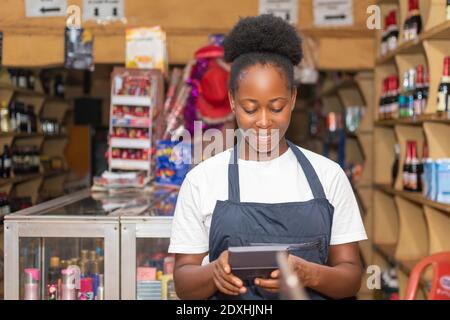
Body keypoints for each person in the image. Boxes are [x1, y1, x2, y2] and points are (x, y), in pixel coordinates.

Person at [168, 14, 367, 300]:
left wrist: (309, 274)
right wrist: (214, 273)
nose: (263, 121)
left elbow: (351, 276)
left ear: (294, 99)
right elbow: (184, 283)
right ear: (233, 101)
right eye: (250, 108)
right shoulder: (202, 180)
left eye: (276, 107)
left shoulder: (329, 176)